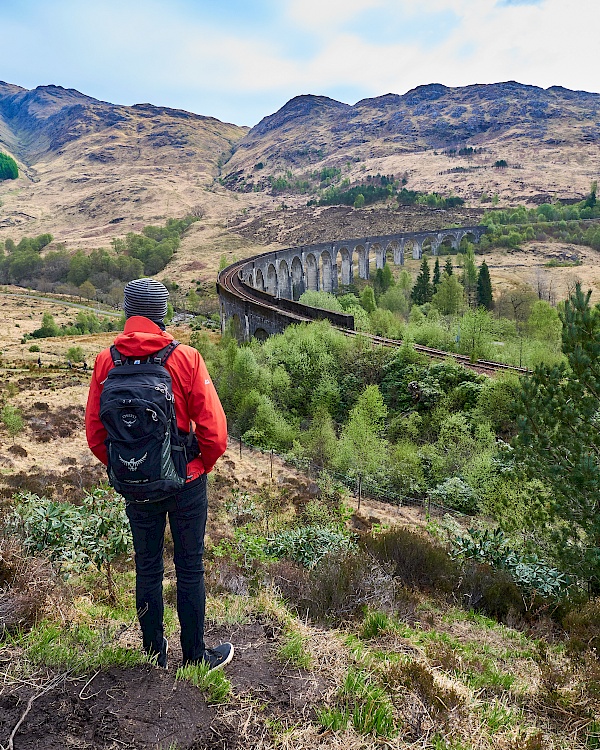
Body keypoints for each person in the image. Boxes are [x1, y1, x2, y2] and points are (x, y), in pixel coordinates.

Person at [85, 278, 232, 671]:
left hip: (136, 486)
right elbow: (215, 432)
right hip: (185, 481)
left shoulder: (106, 361)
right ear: (162, 313)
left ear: (127, 310)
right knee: (189, 566)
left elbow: (96, 435)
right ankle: (196, 657)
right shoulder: (185, 358)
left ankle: (154, 655)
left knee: (146, 565)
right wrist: (198, 466)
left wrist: (129, 468)